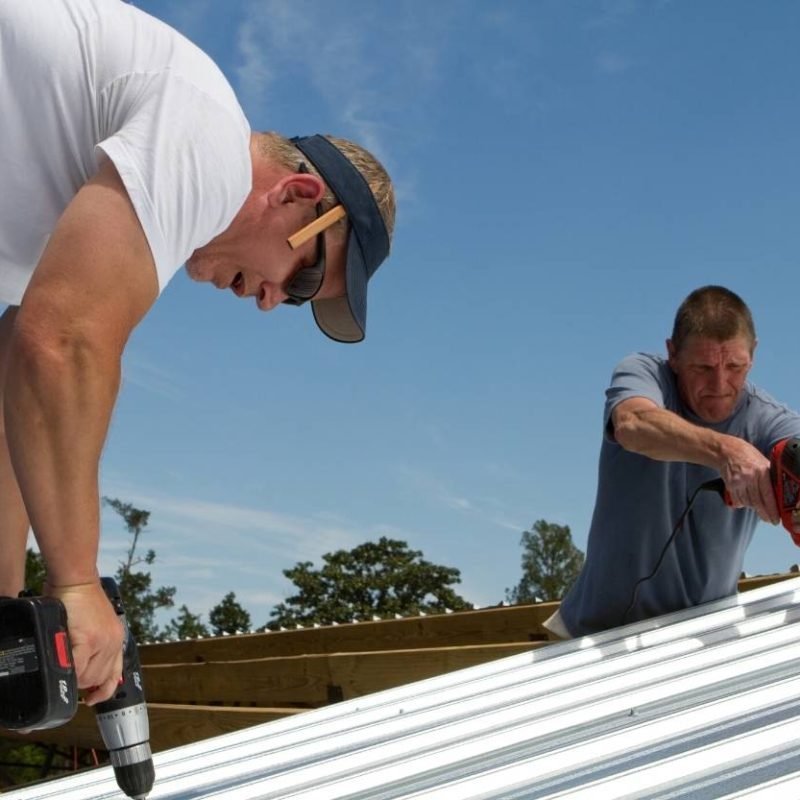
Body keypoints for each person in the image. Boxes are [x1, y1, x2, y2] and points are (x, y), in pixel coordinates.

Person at [0, 0, 396, 705]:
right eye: (304, 277)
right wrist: (77, 584)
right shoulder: (210, 142)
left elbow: (15, 398)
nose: (273, 300)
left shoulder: (99, 210)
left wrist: (5, 614)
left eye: (297, 300)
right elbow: (62, 343)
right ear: (298, 194)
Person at [548, 286, 800, 639]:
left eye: (735, 366)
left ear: (753, 354)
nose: (720, 383)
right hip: (592, 633)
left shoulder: (768, 419)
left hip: (699, 642)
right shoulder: (644, 373)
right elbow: (633, 424)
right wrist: (727, 452)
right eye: (703, 367)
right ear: (673, 354)